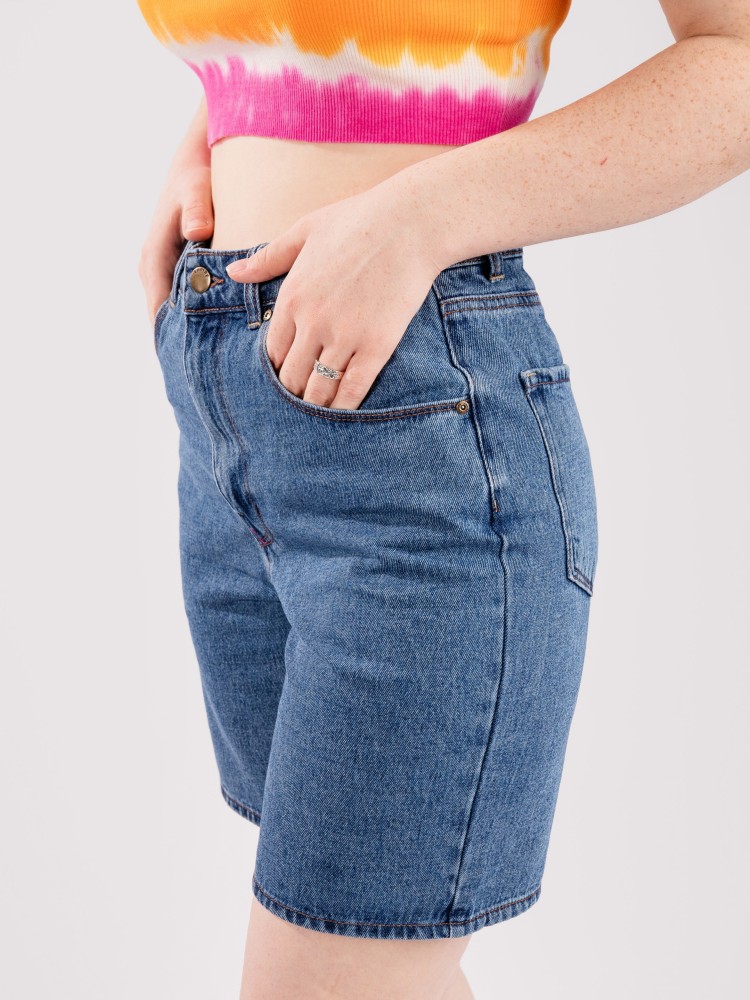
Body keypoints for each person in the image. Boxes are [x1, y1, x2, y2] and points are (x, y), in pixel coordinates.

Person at [136, 2, 750, 998]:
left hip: (424, 442)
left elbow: (739, 64)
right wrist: (215, 128)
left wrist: (423, 215)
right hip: (228, 421)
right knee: (379, 959)